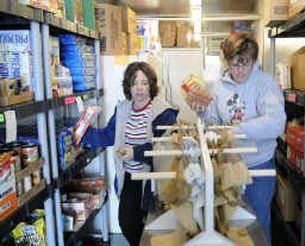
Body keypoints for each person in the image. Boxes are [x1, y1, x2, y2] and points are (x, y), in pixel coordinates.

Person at [185, 33, 286, 245]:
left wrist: (236, 131)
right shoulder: (217, 87)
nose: (239, 71)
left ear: (254, 60)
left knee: (257, 226)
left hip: (258, 168)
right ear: (226, 61)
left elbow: (276, 122)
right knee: (229, 226)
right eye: (234, 64)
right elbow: (213, 123)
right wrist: (201, 112)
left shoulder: (265, 84)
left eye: (245, 64)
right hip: (227, 167)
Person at [81, 61, 178, 245]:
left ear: (151, 85)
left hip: (153, 180)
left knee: (153, 225)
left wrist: (135, 152)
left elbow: (166, 148)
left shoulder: (163, 111)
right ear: (128, 86)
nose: (139, 88)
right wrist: (80, 134)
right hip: (128, 178)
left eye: (144, 83)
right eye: (134, 83)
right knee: (127, 223)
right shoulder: (123, 109)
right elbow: (108, 136)